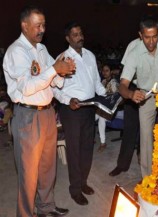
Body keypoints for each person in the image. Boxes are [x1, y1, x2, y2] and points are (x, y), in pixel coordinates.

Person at [2, 5, 75, 217]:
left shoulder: (41, 49)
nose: (42, 29)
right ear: (24, 26)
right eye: (37, 25)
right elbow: (27, 87)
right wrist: (55, 70)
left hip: (47, 113)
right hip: (27, 116)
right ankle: (25, 214)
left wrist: (63, 71)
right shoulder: (17, 51)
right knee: (28, 173)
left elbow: (53, 81)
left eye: (43, 25)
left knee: (47, 167)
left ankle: (46, 207)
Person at [119, 16, 158, 177]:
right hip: (146, 96)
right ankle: (148, 179)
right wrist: (131, 94)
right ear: (140, 35)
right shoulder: (134, 52)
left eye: (154, 36)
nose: (151, 41)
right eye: (147, 37)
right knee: (146, 138)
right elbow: (122, 85)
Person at [53, 21, 106, 206]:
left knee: (86, 148)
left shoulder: (90, 55)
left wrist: (107, 96)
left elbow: (96, 83)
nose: (79, 37)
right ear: (68, 38)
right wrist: (68, 101)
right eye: (75, 34)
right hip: (72, 109)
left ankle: (83, 182)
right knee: (74, 150)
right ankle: (75, 189)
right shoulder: (62, 59)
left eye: (80, 33)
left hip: (89, 107)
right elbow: (54, 88)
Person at [109, 39, 141, 177]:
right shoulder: (132, 45)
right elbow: (125, 68)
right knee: (129, 129)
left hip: (150, 89)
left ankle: (147, 167)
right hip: (132, 88)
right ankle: (122, 165)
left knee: (149, 132)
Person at [95, 63, 121, 152]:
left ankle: (103, 143)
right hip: (103, 107)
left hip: (112, 109)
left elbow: (116, 97)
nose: (104, 73)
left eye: (107, 71)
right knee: (92, 117)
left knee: (101, 118)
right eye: (103, 71)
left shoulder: (114, 82)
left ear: (111, 72)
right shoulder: (103, 82)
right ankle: (89, 138)